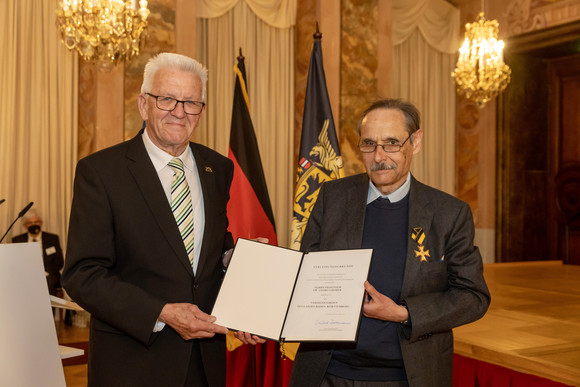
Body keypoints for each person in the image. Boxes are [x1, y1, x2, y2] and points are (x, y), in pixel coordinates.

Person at [62, 52, 261, 387]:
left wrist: (237, 261)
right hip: (133, 363)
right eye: (167, 99)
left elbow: (209, 250)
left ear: (201, 111)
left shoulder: (218, 169)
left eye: (191, 102)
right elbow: (82, 274)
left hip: (204, 362)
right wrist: (162, 312)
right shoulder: (101, 172)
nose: (179, 112)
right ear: (143, 104)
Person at [289, 99, 491, 387]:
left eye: (392, 143)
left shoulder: (449, 213)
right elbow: (304, 275)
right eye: (369, 144)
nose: (379, 156)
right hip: (328, 372)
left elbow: (473, 297)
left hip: (408, 377)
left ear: (416, 142)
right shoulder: (331, 197)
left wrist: (404, 313)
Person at [12, 208, 64, 297]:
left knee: (50, 282)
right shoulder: (17, 240)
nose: (34, 225)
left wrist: (44, 272)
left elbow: (59, 261)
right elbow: (14, 262)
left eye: (36, 222)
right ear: (25, 226)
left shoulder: (52, 238)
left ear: (41, 223)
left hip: (48, 275)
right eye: (30, 223)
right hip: (25, 275)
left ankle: (47, 310)